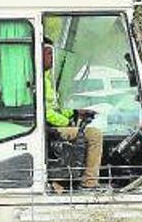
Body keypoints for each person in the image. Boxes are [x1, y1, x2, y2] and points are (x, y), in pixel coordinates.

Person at [44, 38, 104, 190]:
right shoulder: (38, 80)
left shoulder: (47, 79)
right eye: (49, 54)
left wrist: (75, 112)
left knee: (84, 131)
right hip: (50, 128)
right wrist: (66, 122)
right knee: (94, 135)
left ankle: (69, 178)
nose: (52, 59)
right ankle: (89, 182)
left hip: (56, 124)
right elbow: (45, 113)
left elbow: (56, 107)